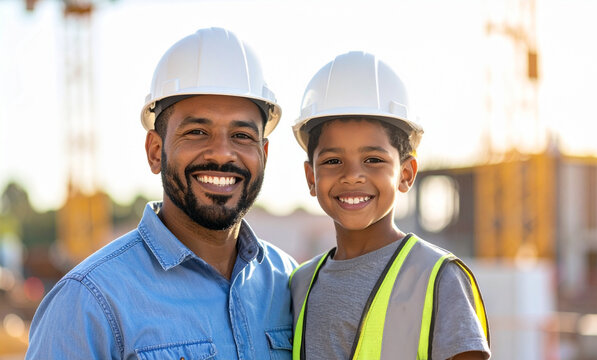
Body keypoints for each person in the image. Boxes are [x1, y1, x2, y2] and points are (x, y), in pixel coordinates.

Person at [26, 28, 297, 360]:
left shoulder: (289, 282)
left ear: (264, 154)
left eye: (242, 135)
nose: (223, 153)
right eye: (197, 132)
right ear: (155, 151)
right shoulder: (89, 302)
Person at [289, 51, 491, 360]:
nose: (352, 176)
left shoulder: (437, 279)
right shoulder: (300, 284)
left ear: (406, 174)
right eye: (333, 161)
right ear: (311, 178)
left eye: (373, 160)